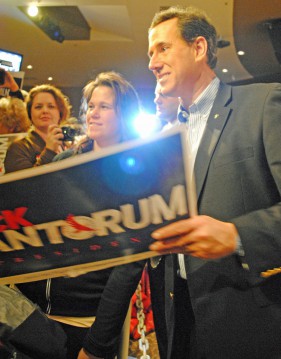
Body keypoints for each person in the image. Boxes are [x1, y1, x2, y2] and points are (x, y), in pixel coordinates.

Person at [146, 5, 281, 359]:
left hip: (250, 323)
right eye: (150, 53)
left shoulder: (264, 103)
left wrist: (237, 235)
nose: (152, 63)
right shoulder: (164, 137)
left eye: (162, 48)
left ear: (199, 48)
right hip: (180, 321)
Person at [11, 71, 145, 359]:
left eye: (104, 107)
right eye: (91, 106)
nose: (93, 114)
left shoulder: (135, 175)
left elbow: (127, 269)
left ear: (125, 114)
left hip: (83, 319)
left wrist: (97, 344)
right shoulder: (64, 162)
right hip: (32, 314)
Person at [4, 84, 71, 173]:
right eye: (38, 107)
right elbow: (26, 184)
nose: (45, 111)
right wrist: (49, 151)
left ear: (60, 113)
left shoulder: (67, 145)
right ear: (30, 113)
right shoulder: (18, 149)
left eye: (51, 106)